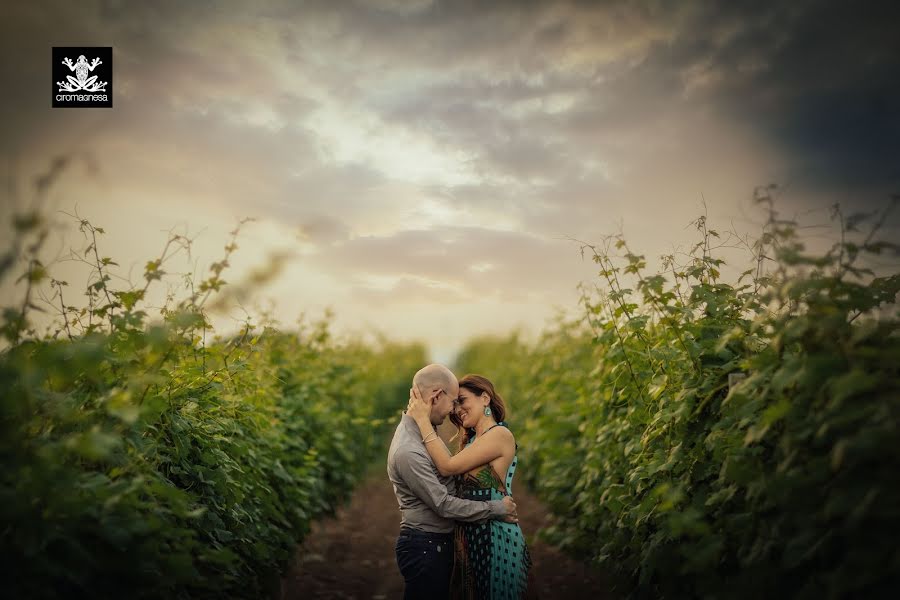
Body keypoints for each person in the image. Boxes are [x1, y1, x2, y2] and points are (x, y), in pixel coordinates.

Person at [388, 364, 519, 600]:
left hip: (492, 536)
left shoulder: (498, 435)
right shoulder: (410, 449)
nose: (454, 410)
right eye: (454, 402)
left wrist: (422, 421)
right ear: (437, 396)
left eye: (461, 401)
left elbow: (447, 469)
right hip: (454, 538)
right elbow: (444, 497)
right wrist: (422, 420)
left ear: (485, 399)